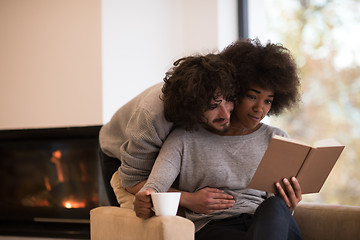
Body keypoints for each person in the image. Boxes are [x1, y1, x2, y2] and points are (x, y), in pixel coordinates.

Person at [133, 38, 303, 240]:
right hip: (214, 227)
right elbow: (153, 188)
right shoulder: (184, 140)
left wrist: (289, 205)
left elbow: (280, 211)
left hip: (267, 223)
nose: (260, 108)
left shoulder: (277, 139)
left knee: (275, 206)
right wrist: (144, 200)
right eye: (252, 97)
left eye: (268, 101)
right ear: (234, 91)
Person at [99, 53, 237, 212]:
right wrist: (188, 199)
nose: (226, 115)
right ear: (192, 107)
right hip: (117, 152)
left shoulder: (221, 97)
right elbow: (132, 182)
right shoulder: (152, 117)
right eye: (213, 107)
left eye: (229, 101)